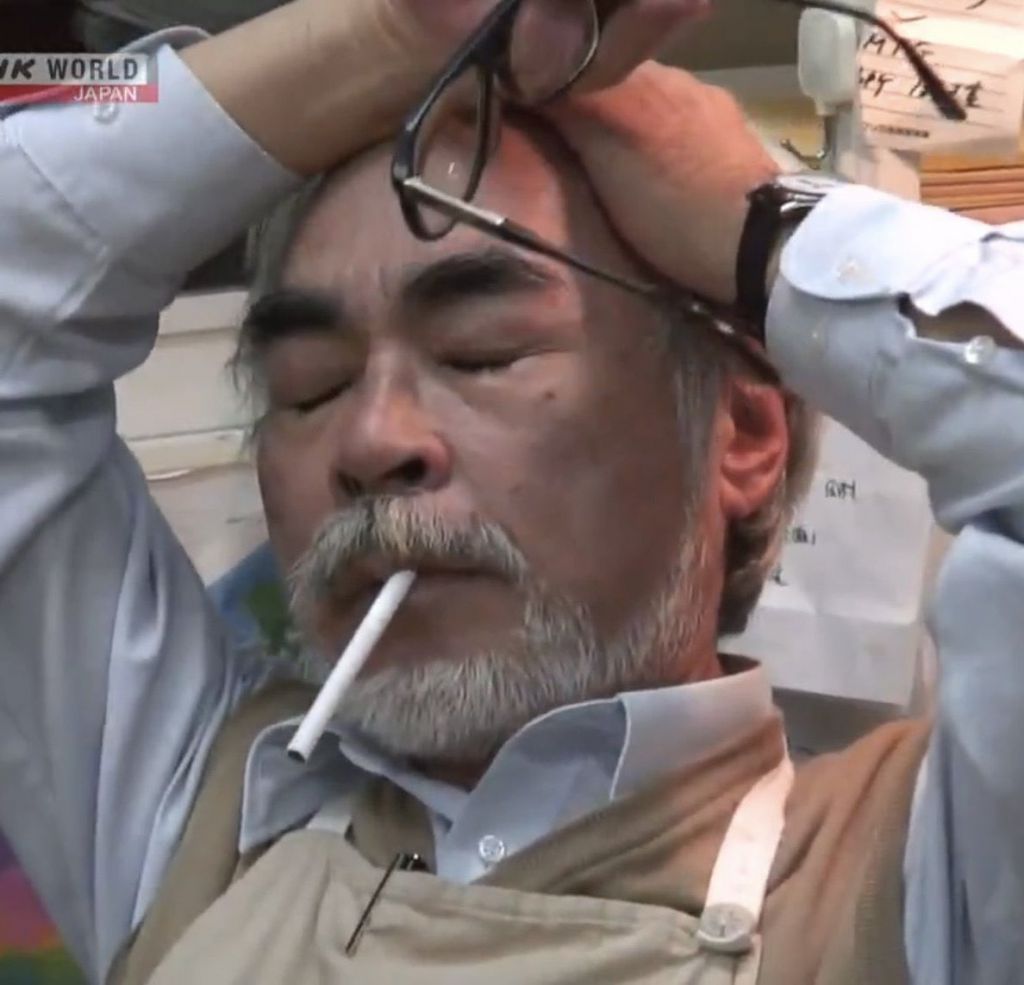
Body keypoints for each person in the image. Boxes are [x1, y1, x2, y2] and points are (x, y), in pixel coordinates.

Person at [1, 2, 1022, 984]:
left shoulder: (929, 879)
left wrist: (760, 230)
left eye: (481, 353)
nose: (371, 439)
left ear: (744, 436)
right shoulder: (197, 815)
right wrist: (389, 31)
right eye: (310, 386)